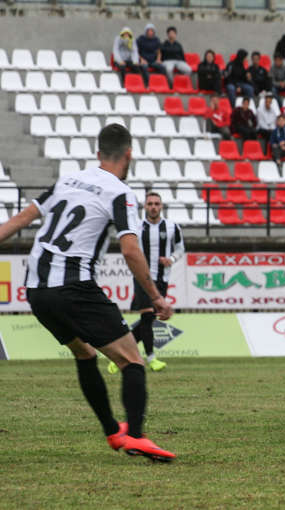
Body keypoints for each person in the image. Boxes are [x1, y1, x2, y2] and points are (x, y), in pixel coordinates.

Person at [0, 124, 175, 460]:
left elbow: (23, 217)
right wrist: (155, 295)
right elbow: (130, 250)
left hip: (36, 289)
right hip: (73, 287)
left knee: (84, 353)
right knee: (133, 362)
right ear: (129, 154)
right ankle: (136, 435)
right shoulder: (120, 193)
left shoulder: (67, 180)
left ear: (97, 154)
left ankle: (112, 431)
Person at [107, 192, 183, 374]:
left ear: (161, 206)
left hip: (162, 279)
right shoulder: (137, 227)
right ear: (145, 207)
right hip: (142, 277)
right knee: (148, 316)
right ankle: (151, 358)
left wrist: (171, 258)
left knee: (148, 319)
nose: (153, 207)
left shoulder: (172, 227)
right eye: (150, 204)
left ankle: (118, 355)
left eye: (157, 203)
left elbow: (180, 248)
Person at [136, 23, 166, 88]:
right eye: (148, 31)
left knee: (162, 67)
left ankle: (162, 84)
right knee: (144, 67)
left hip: (153, 61)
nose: (150, 32)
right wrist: (141, 59)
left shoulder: (156, 40)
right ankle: (148, 85)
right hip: (143, 60)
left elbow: (159, 52)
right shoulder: (140, 39)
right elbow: (136, 51)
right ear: (146, 31)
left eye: (151, 31)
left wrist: (158, 59)